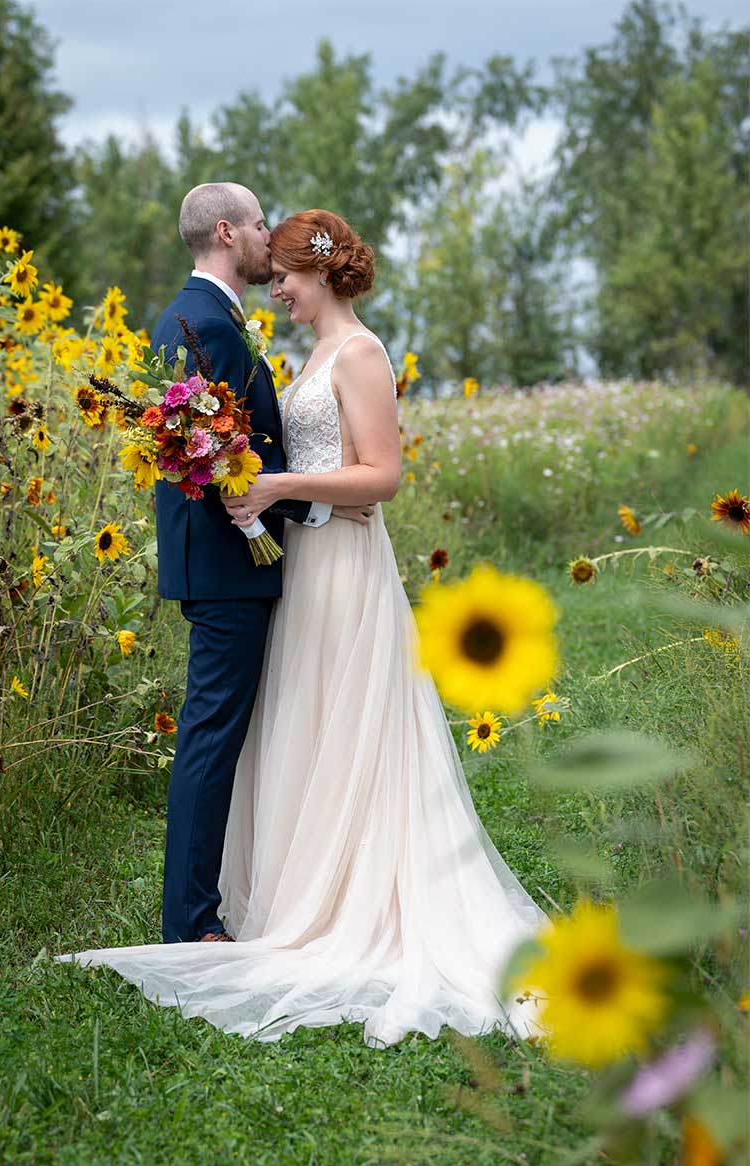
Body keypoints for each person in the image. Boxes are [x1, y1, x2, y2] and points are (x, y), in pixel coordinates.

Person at [56, 208, 548, 1049]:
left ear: (319, 273)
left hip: (345, 571)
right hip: (305, 567)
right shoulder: (312, 355)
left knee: (352, 728)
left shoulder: (359, 352)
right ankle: (300, 894)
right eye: (272, 272)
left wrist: (279, 490)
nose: (276, 288)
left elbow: (384, 475)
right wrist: (276, 489)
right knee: (305, 729)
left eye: (285, 274)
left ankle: (353, 900)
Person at [144, 182, 370, 945]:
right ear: (226, 230)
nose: (267, 243)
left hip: (239, 558)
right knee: (212, 736)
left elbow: (238, 453)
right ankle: (192, 924)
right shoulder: (198, 322)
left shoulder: (205, 320)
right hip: (225, 564)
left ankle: (227, 902)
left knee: (235, 733)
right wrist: (309, 507)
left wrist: (299, 503)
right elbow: (212, 460)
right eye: (259, 226)